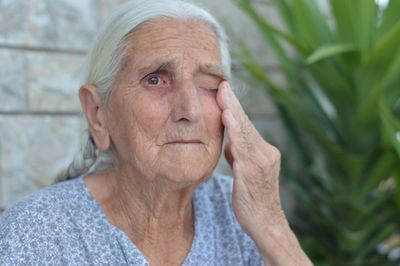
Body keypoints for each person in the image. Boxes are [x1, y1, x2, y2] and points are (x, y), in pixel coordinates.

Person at [0, 0, 313, 265]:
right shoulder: (36, 235)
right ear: (98, 113)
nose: (189, 110)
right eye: (155, 80)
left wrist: (272, 226)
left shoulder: (241, 214)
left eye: (208, 85)